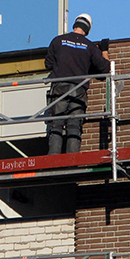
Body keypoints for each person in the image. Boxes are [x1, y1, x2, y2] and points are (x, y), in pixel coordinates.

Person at [45, 13, 111, 155]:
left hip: (59, 88)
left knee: (56, 125)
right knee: (74, 127)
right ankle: (72, 162)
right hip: (78, 91)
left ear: (74, 25)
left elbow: (48, 64)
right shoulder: (90, 47)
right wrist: (104, 51)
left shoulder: (58, 41)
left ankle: (52, 160)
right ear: (87, 30)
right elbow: (105, 70)